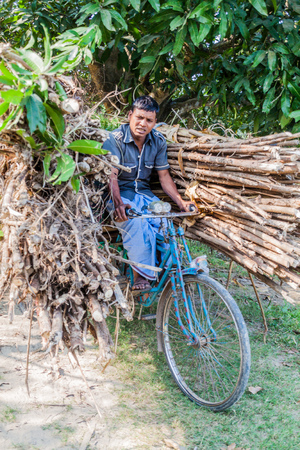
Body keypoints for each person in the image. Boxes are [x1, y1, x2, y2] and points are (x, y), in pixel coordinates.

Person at [102, 96, 196, 291]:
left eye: (149, 120)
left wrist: (180, 202)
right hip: (117, 196)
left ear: (154, 122)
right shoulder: (114, 140)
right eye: (139, 117)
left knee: (165, 223)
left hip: (144, 195)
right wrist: (118, 203)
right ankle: (140, 276)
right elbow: (111, 177)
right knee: (136, 223)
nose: (143, 124)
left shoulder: (158, 141)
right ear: (130, 116)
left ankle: (167, 273)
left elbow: (164, 176)